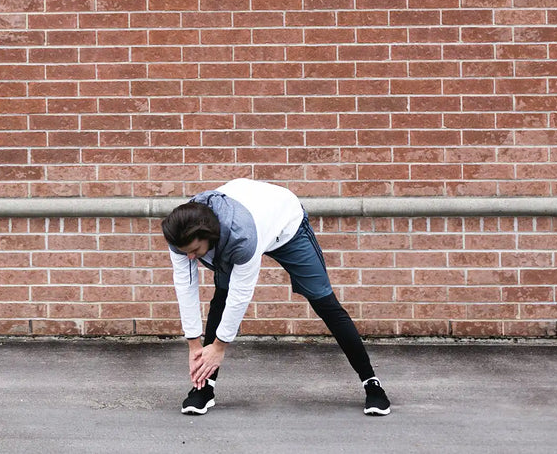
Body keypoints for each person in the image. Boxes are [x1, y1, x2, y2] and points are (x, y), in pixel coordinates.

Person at [161, 178, 391, 416]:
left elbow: (241, 295)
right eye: (184, 251)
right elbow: (185, 285)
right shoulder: (180, 232)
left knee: (325, 303)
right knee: (221, 299)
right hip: (249, 216)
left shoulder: (242, 238)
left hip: (286, 227)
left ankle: (372, 383)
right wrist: (193, 343)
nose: (190, 258)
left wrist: (219, 346)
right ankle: (204, 389)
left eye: (195, 251)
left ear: (209, 236)